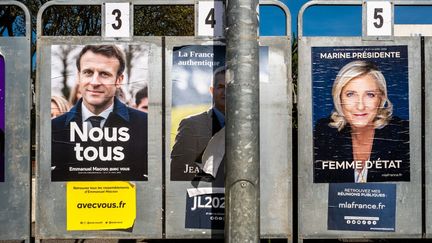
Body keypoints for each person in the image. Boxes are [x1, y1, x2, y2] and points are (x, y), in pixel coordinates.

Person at [51, 45, 148, 181]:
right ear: (78, 76)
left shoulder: (145, 126)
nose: (95, 82)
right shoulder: (54, 129)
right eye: (88, 72)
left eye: (104, 74)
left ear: (119, 80)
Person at [314, 60, 409, 183]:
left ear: (381, 99)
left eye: (370, 95)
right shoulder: (324, 133)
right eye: (350, 94)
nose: (360, 106)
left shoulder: (402, 134)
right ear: (339, 98)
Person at [170, 66, 225, 185]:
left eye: (231, 88)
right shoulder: (191, 125)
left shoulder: (253, 128)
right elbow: (178, 172)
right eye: (220, 87)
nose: (225, 92)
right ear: (211, 90)